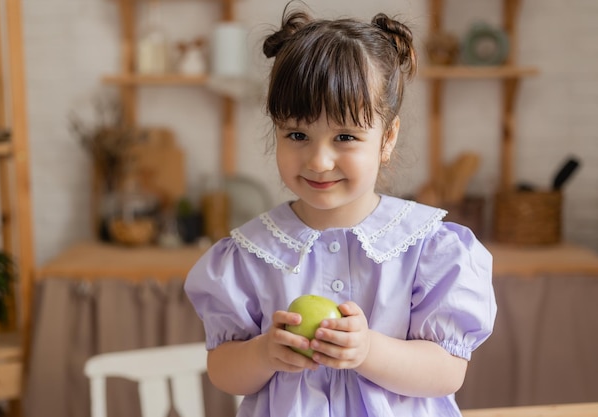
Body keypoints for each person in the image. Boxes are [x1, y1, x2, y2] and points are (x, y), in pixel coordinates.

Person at [184, 3, 496, 416]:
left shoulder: (427, 248)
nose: (318, 161)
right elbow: (222, 370)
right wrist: (264, 354)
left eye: (345, 136)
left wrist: (368, 350)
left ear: (387, 138)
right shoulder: (249, 253)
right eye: (297, 133)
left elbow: (447, 372)